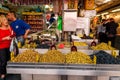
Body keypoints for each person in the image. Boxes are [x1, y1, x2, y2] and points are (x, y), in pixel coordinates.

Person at [0, 15, 15, 80]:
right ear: (1, 22)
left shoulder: (9, 27)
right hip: (2, 47)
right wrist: (5, 38)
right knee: (3, 61)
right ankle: (3, 74)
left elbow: (13, 34)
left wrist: (11, 35)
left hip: (10, 46)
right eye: (4, 20)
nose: (6, 21)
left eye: (6, 20)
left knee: (9, 59)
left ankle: (9, 71)